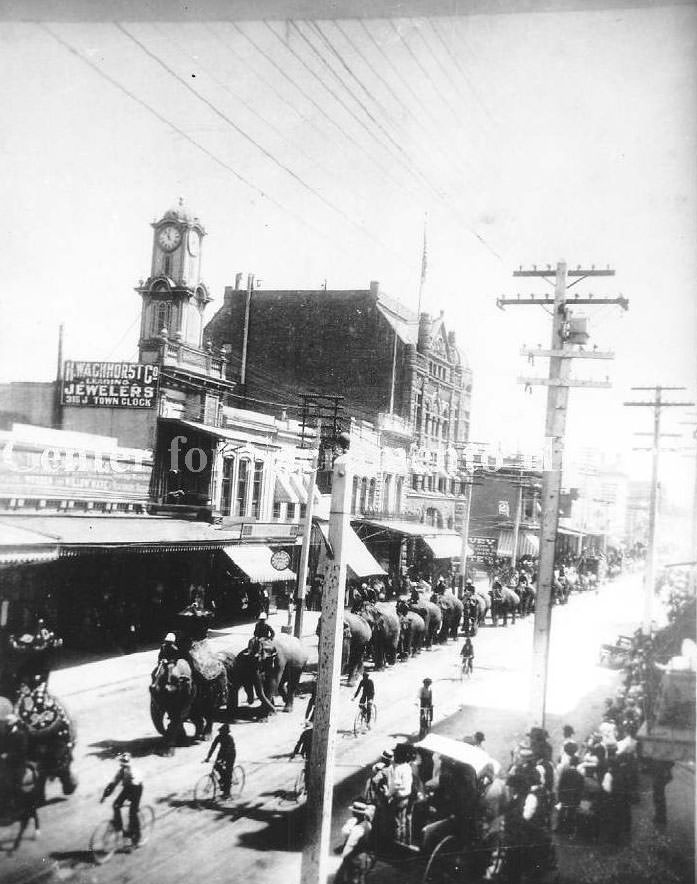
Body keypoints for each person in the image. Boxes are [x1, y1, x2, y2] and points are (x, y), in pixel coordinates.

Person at [101, 753, 144, 846]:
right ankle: (119, 826)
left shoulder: (133, 772)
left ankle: (137, 837)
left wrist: (131, 799)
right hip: (128, 787)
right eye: (122, 765)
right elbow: (113, 784)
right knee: (115, 805)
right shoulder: (121, 772)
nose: (123, 767)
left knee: (132, 812)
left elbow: (134, 788)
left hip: (136, 788)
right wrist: (105, 795)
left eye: (125, 766)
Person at [336, 801, 374, 884]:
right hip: (364, 856)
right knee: (360, 878)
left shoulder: (358, 828)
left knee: (352, 879)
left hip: (355, 857)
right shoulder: (367, 824)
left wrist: (344, 857)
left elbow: (350, 845)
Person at [204, 724, 237, 798]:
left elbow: (230, 748)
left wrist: (223, 760)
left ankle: (227, 792)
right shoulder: (218, 737)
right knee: (216, 766)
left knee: (228, 772)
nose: (220, 733)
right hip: (222, 753)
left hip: (231, 754)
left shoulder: (229, 738)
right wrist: (208, 757)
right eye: (220, 731)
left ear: (226, 732)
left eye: (222, 731)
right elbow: (213, 747)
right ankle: (223, 779)